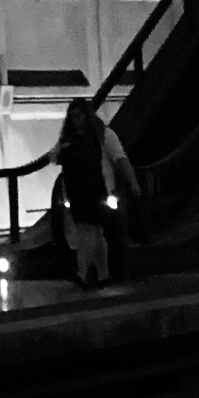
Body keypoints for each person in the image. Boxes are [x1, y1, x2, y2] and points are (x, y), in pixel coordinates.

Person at [54, 93, 139, 288]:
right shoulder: (79, 139)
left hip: (96, 191)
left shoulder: (103, 135)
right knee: (94, 233)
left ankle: (84, 272)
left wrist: (132, 180)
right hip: (80, 192)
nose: (76, 121)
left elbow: (120, 159)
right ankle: (102, 274)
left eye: (79, 116)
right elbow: (56, 157)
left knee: (88, 231)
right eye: (73, 117)